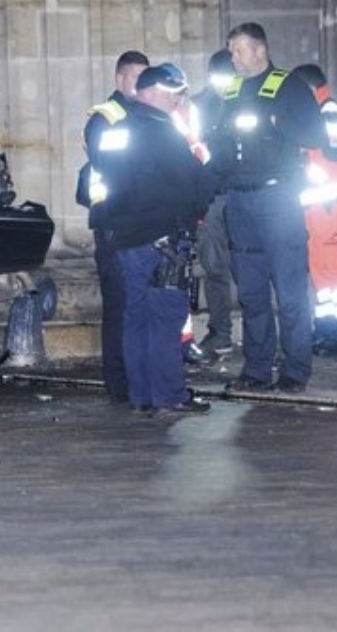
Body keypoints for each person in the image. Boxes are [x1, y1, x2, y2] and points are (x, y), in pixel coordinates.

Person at [206, 23, 332, 393]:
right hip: (241, 200)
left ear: (260, 50)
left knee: (289, 290)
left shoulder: (288, 86)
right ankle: (257, 368)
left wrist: (279, 124)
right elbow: (220, 143)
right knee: (252, 291)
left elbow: (316, 136)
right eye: (230, 51)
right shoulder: (231, 91)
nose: (233, 57)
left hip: (278, 199)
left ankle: (295, 369)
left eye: (238, 50)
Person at [103, 63, 212, 414]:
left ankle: (141, 397)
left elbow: (107, 177)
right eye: (175, 94)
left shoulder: (118, 129)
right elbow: (193, 183)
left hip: (125, 237)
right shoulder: (162, 131)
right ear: (152, 92)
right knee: (165, 318)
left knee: (135, 319)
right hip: (161, 239)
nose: (179, 101)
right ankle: (168, 395)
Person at [77, 50, 148, 405]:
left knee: (136, 304)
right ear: (120, 79)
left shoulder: (144, 114)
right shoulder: (108, 118)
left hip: (137, 223)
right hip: (114, 223)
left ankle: (136, 375)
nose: (142, 85)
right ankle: (119, 380)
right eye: (136, 78)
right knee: (119, 306)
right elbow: (118, 167)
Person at [291, 63, 337, 356]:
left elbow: (326, 151)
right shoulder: (323, 110)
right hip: (320, 205)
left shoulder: (329, 112)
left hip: (327, 204)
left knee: (334, 273)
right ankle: (328, 329)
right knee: (323, 272)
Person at [190, 49, 238, 357]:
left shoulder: (247, 101)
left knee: (250, 267)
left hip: (244, 193)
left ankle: (262, 338)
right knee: (215, 267)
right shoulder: (197, 106)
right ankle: (220, 332)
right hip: (212, 197)